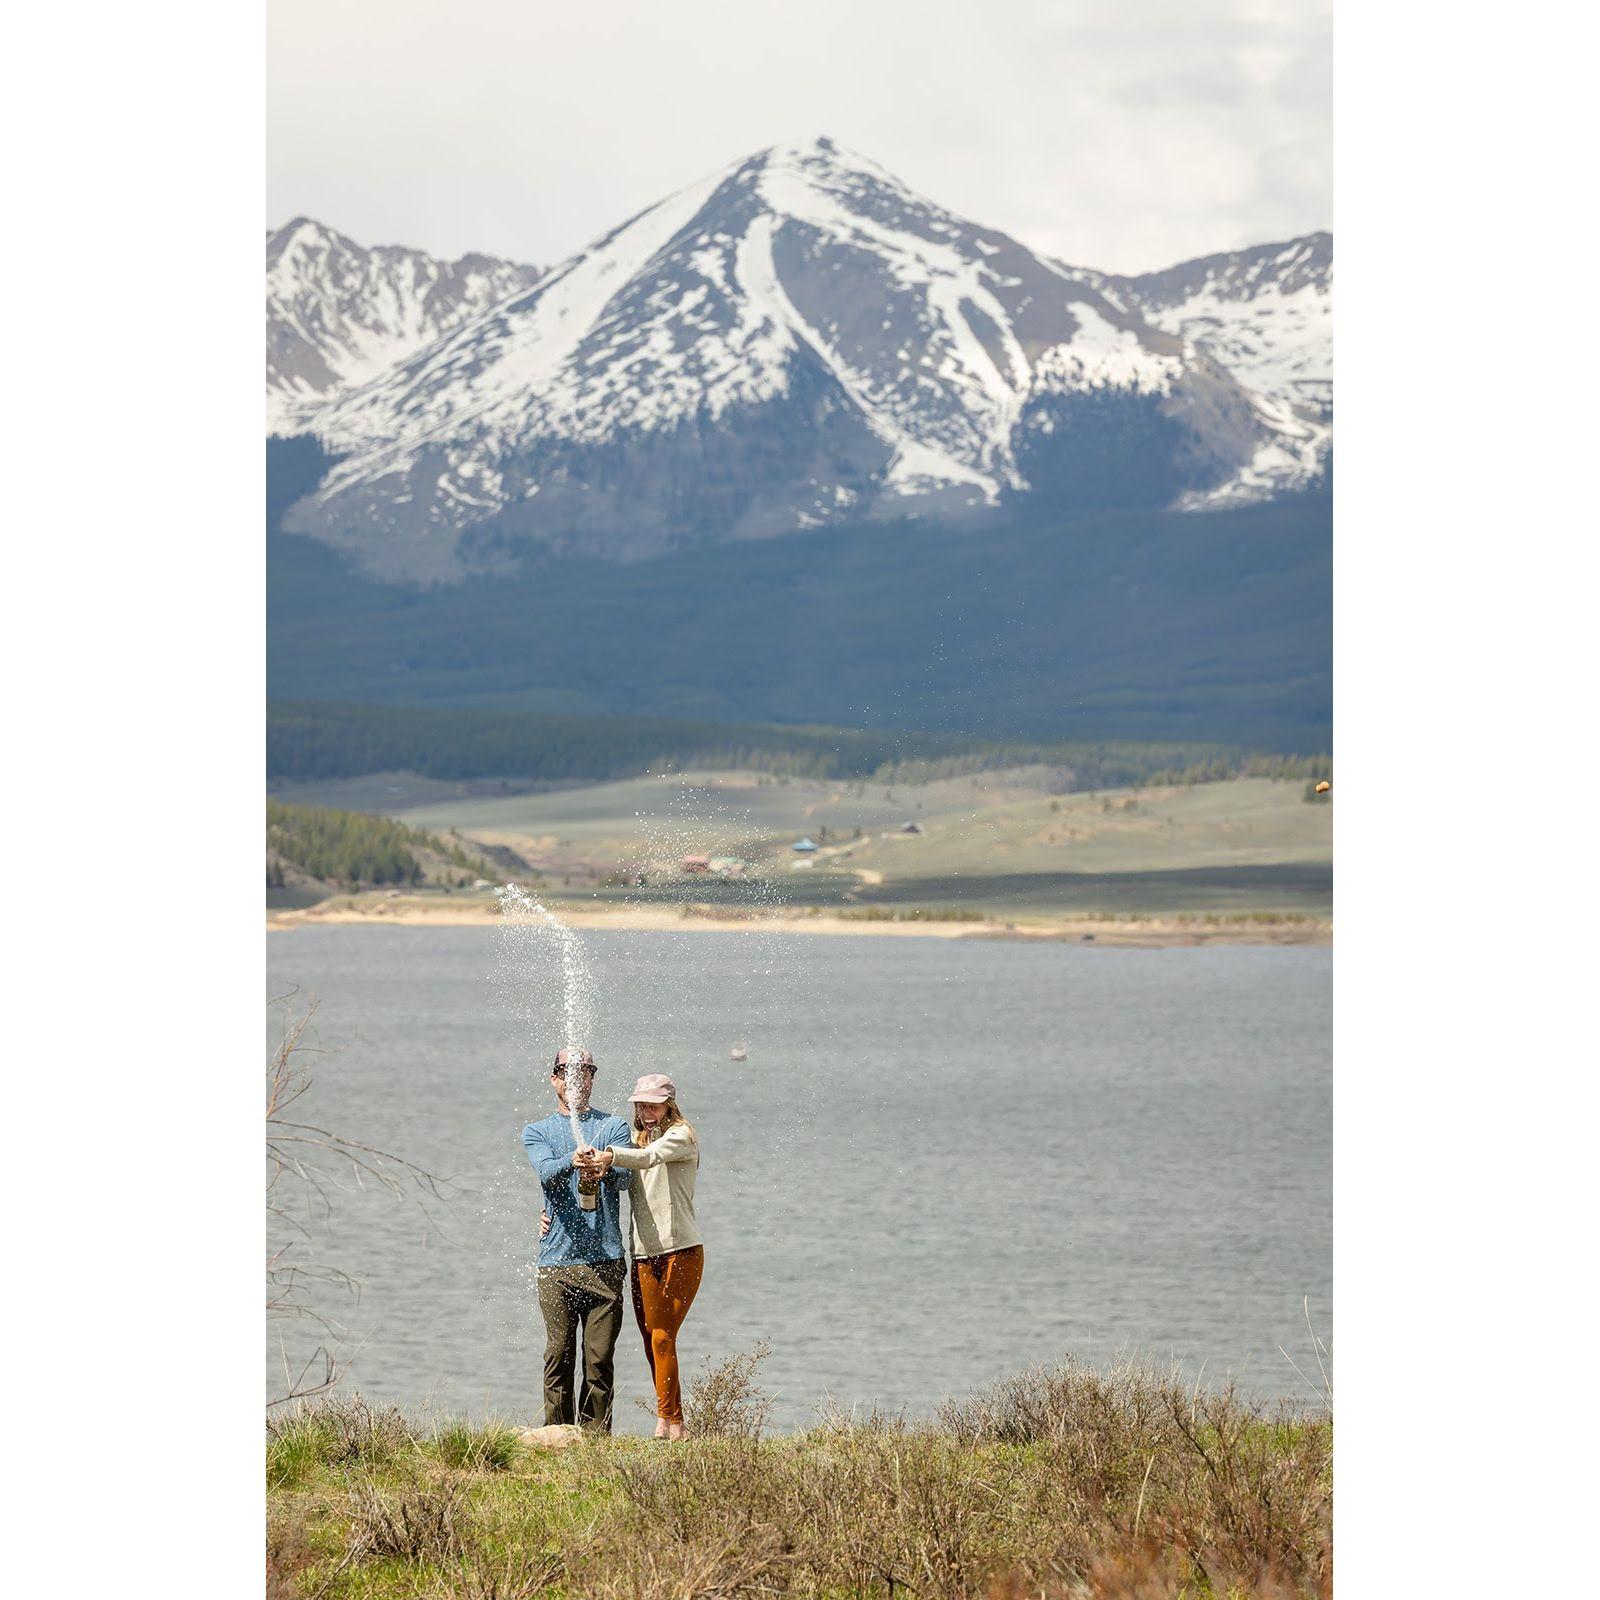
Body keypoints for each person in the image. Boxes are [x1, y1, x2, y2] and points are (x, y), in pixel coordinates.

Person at [576, 1073, 702, 1441]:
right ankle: (669, 1419)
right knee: (651, 1339)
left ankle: (673, 1423)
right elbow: (628, 1163)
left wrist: (611, 1155)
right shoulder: (634, 1140)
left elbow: (648, 1158)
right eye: (641, 1105)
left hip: (680, 1250)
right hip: (643, 1254)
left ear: (669, 1105)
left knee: (662, 1336)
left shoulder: (681, 1136)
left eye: (654, 1106)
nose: (647, 1112)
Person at [521, 1049, 634, 1432]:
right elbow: (546, 1173)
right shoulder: (537, 1131)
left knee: (599, 1360)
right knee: (558, 1355)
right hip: (556, 1264)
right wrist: (572, 1159)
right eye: (567, 1071)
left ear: (592, 1078)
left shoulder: (614, 1127)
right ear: (554, 1078)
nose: (576, 1078)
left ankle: (595, 1442)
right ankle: (556, 1437)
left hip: (606, 1261)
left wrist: (604, 1167)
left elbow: (626, 1179)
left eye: (585, 1071)